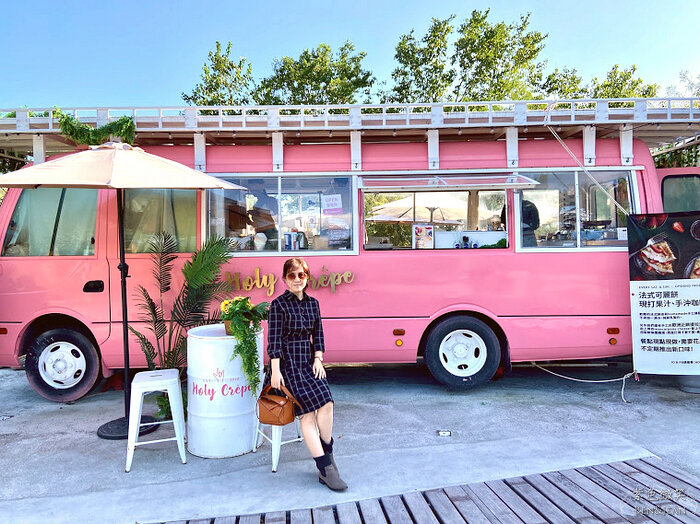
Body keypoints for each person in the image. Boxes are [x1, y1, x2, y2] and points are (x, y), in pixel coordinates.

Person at [265, 257, 348, 491]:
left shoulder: (314, 304)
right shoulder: (278, 305)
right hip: (288, 365)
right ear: (285, 279)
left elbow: (318, 334)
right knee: (307, 415)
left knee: (327, 403)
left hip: (309, 362)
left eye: (301, 274)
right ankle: (325, 468)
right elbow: (274, 341)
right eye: (291, 275)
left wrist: (318, 359)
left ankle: (328, 454)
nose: (297, 279)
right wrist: (275, 371)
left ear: (307, 277)